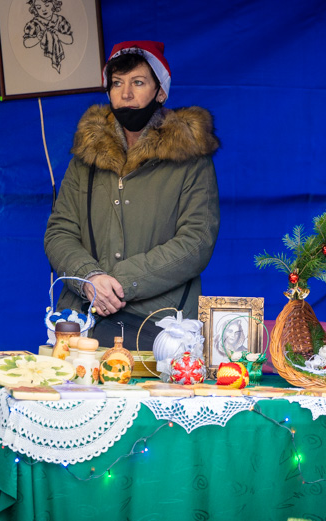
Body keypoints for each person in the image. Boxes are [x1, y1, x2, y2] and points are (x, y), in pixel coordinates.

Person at [44, 40, 220, 348]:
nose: (126, 94)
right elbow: (59, 233)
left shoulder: (191, 159)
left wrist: (120, 283)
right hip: (83, 323)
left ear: (160, 92)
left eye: (138, 83)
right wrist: (90, 279)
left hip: (163, 327)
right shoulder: (85, 158)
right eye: (117, 84)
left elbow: (197, 242)